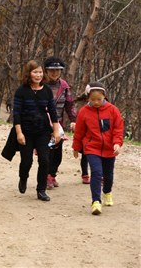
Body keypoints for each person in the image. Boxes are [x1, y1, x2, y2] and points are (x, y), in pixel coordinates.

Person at [72, 82, 124, 215]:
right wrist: (76, 147)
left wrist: (117, 143)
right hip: (92, 148)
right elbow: (79, 131)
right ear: (88, 98)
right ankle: (96, 201)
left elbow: (118, 128)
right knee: (95, 172)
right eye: (92, 100)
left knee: (108, 175)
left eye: (99, 100)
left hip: (109, 148)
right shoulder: (84, 112)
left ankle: (107, 192)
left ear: (105, 97)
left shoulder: (113, 110)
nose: (96, 102)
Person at [12, 60, 61, 202]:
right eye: (35, 72)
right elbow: (17, 113)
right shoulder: (21, 91)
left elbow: (52, 111)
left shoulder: (46, 90)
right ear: (29, 73)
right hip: (26, 131)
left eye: (40, 72)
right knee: (26, 161)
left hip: (43, 131)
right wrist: (19, 133)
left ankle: (41, 190)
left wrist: (56, 131)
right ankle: (23, 178)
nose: (38, 75)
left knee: (45, 160)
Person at [43, 56, 78, 189]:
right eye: (52, 70)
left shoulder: (64, 87)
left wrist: (73, 119)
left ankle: (52, 174)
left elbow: (69, 105)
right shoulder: (41, 84)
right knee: (47, 150)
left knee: (57, 152)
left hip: (59, 125)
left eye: (58, 70)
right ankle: (46, 176)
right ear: (46, 71)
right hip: (44, 125)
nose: (55, 73)